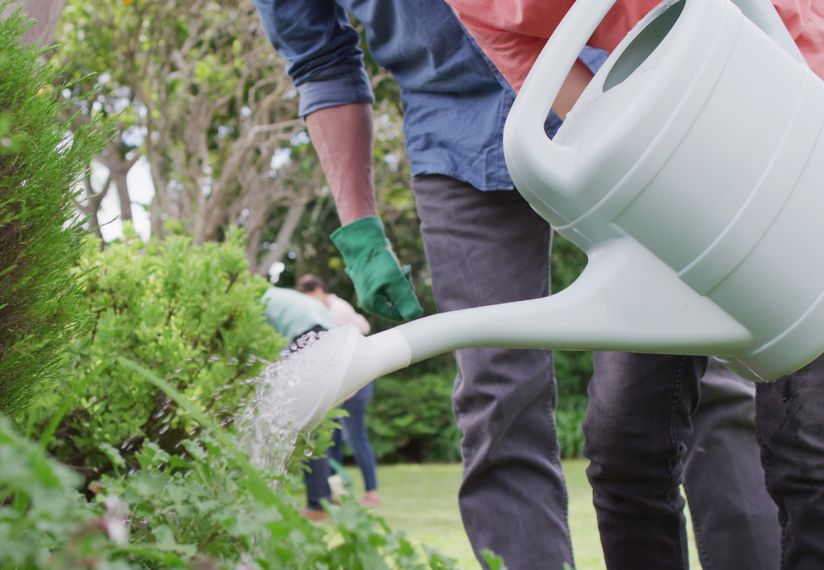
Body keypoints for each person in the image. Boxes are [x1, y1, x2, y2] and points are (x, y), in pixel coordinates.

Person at [250, 1, 781, 568]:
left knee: (701, 369)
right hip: (456, 136)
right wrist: (358, 228)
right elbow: (320, 61)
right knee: (497, 401)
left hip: (614, 85)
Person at [443, 2, 824, 568]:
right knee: (625, 446)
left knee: (805, 444)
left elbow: (776, 24)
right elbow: (579, 105)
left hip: (790, 121)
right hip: (668, 162)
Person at [297, 274, 380, 508]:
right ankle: (337, 493)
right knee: (331, 441)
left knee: (356, 438)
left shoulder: (338, 309)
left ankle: (372, 492)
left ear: (320, 290)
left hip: (357, 383)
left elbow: (364, 327)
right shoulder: (322, 310)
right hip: (338, 385)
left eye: (311, 297)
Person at [261, 286, 339, 522]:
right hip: (333, 339)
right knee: (312, 424)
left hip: (308, 336)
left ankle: (315, 504)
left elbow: (260, 344)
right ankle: (319, 501)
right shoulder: (280, 295)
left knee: (294, 424)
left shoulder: (256, 298)